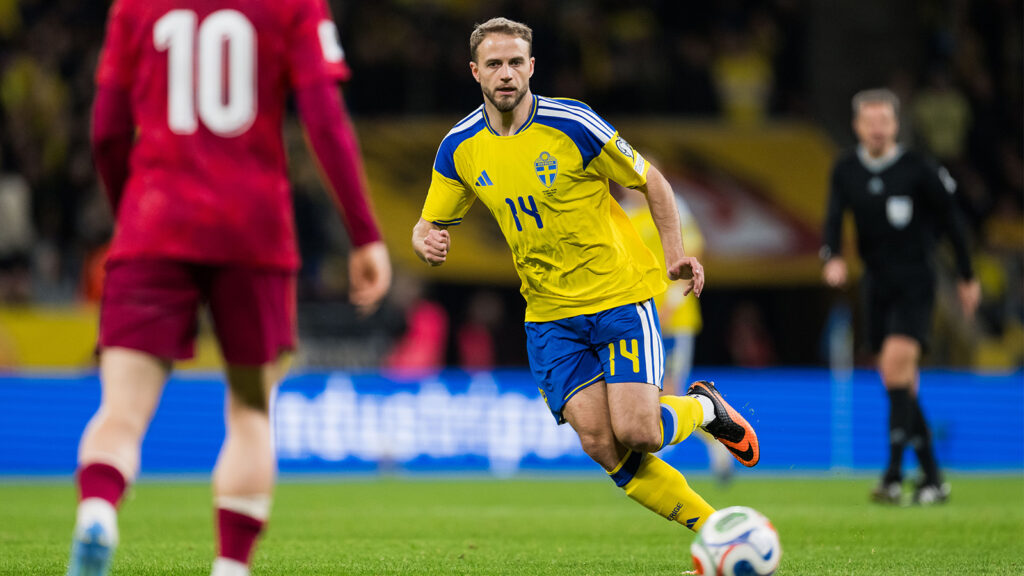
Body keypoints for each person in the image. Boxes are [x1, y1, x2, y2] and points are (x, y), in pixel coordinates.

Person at [69, 1, 391, 575]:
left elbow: (107, 131)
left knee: (121, 411)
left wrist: (133, 213)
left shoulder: (134, 5)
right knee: (250, 411)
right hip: (253, 231)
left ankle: (98, 510)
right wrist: (363, 235)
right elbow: (324, 120)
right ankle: (231, 566)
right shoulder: (294, 4)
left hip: (155, 222)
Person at [412, 17, 759, 537]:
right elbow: (428, 224)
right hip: (549, 316)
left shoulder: (573, 123)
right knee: (602, 444)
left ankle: (704, 408)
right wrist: (425, 240)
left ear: (531, 67)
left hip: (617, 297)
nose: (505, 74)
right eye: (494, 64)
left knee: (640, 431)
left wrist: (674, 254)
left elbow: (652, 181)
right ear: (475, 72)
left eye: (515, 62)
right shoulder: (459, 145)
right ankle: (718, 535)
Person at [821, 88, 979, 506]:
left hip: (916, 282)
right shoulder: (846, 169)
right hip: (876, 285)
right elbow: (834, 216)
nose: (877, 128)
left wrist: (966, 276)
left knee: (895, 367)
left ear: (895, 125)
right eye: (869, 121)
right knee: (899, 380)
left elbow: (952, 220)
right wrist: (832, 256)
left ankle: (892, 476)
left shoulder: (918, 168)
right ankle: (933, 479)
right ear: (857, 126)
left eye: (884, 121)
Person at [622, 189, 734, 482]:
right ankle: (705, 434)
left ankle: (712, 432)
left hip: (674, 321)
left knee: (668, 392)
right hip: (641, 319)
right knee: (649, 395)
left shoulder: (673, 207)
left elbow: (694, 251)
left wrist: (672, 303)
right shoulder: (623, 213)